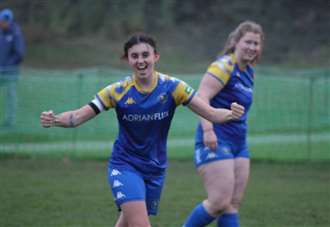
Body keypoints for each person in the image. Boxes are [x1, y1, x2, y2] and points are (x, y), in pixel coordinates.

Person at [40, 33, 245, 227]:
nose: (141, 60)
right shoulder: (117, 91)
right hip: (125, 165)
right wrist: (55, 119)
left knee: (126, 222)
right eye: (134, 56)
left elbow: (210, 113)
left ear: (155, 56)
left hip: (155, 169)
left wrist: (230, 114)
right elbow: (77, 116)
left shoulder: (173, 87)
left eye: (145, 55)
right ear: (127, 60)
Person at [183, 21, 264, 227]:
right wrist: (208, 130)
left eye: (256, 43)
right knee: (219, 201)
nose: (252, 47)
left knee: (232, 203)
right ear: (236, 42)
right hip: (216, 139)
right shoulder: (224, 65)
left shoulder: (249, 72)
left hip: (239, 143)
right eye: (248, 41)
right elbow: (201, 97)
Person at [0, 8, 25, 127]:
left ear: (9, 21)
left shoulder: (15, 33)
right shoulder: (1, 33)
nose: (2, 23)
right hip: (1, 71)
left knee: (10, 96)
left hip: (10, 72)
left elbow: (20, 53)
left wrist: (7, 66)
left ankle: (10, 121)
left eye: (4, 21)